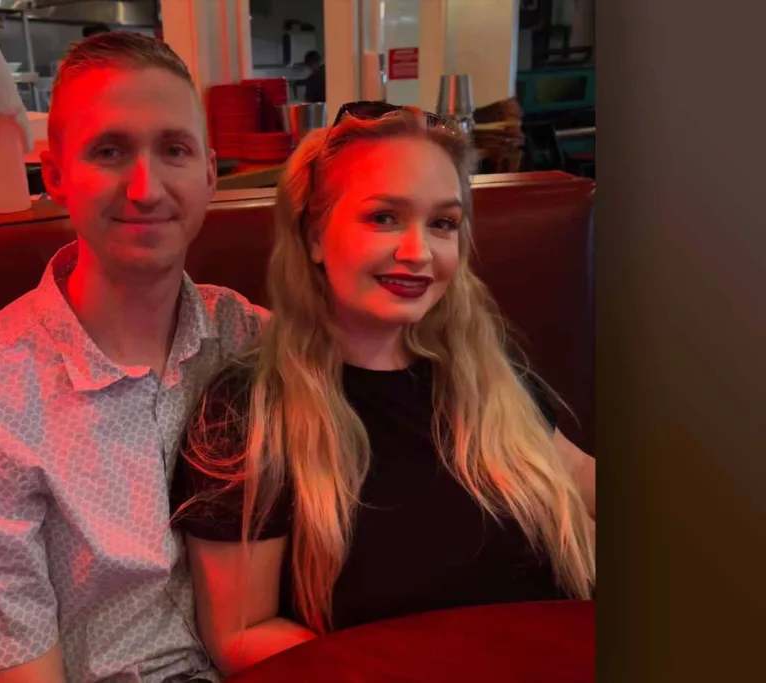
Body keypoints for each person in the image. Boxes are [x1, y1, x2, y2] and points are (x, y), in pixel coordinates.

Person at [170, 102, 597, 675]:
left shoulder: (484, 371)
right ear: (314, 236)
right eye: (385, 217)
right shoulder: (248, 413)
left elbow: (578, 479)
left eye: (443, 224)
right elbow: (242, 633)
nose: (418, 252)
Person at [0, 32, 266, 683]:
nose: (146, 188)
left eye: (174, 150)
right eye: (110, 151)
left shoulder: (250, 339)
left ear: (210, 173)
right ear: (55, 177)